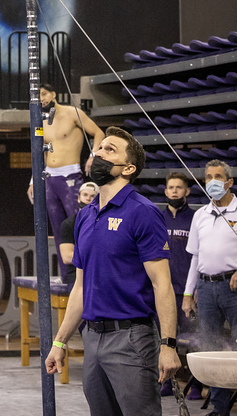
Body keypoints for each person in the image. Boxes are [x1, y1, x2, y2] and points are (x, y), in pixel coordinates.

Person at [45, 126, 180, 416]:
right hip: (92, 338)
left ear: (128, 168)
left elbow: (162, 285)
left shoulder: (142, 212)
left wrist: (168, 344)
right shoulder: (85, 216)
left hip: (131, 339)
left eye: (110, 150)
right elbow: (80, 287)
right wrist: (60, 341)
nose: (98, 153)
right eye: (99, 147)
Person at [27, 83, 104, 281]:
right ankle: (67, 275)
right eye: (38, 95)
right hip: (50, 178)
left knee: (80, 225)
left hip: (70, 176)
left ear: (53, 94)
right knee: (58, 228)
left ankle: (88, 272)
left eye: (44, 94)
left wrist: (93, 155)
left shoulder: (72, 113)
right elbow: (41, 153)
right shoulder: (40, 121)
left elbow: (98, 133)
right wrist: (34, 180)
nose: (42, 99)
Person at [183, 159, 237, 416]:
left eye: (218, 176)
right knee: (212, 347)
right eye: (208, 177)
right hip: (205, 289)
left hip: (233, 287)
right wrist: (187, 293)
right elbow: (195, 257)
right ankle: (220, 408)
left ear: (229, 182)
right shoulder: (199, 215)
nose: (212, 181)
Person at [159, 171, 203, 401]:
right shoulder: (157, 218)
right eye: (171, 187)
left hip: (187, 292)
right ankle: (167, 382)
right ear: (165, 192)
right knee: (167, 340)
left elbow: (199, 255)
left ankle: (196, 384)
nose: (174, 191)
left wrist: (193, 289)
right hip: (163, 291)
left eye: (179, 187)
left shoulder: (196, 218)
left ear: (187, 191)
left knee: (194, 341)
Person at [59, 181, 99, 289]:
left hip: (99, 274)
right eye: (85, 195)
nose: (88, 198)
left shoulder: (103, 222)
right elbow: (67, 257)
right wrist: (97, 257)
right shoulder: (68, 224)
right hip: (76, 276)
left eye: (92, 196)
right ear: (78, 197)